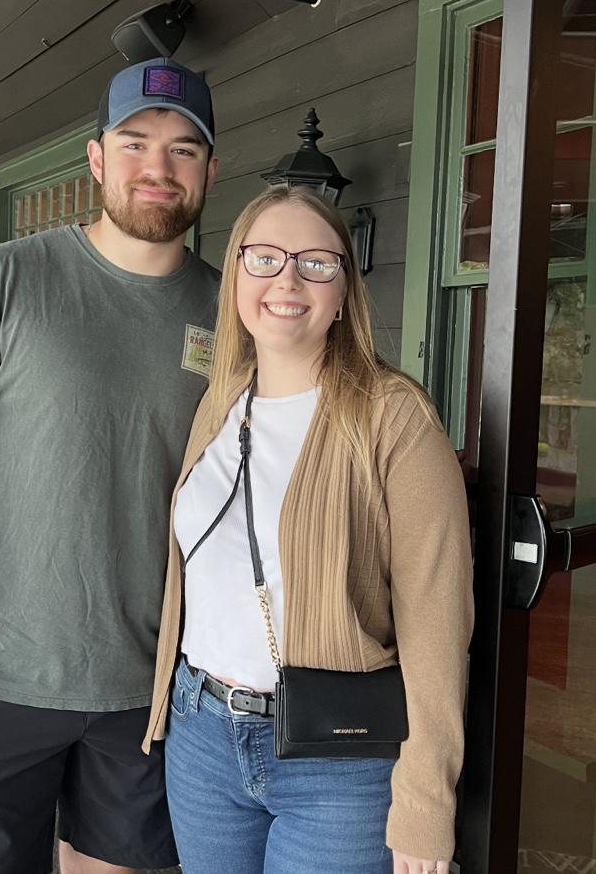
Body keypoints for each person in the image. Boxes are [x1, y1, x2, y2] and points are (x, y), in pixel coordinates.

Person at [0, 57, 219, 874]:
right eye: (135, 143)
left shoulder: (229, 309)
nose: (157, 168)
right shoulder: (1, 281)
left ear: (210, 168)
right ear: (96, 159)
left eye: (183, 150)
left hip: (151, 683)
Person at [142, 186, 474, 874]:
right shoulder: (219, 398)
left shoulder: (392, 416)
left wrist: (423, 801)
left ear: (343, 288)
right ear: (235, 271)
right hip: (201, 733)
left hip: (338, 759)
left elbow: (437, 618)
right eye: (263, 258)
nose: (286, 280)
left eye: (315, 263)